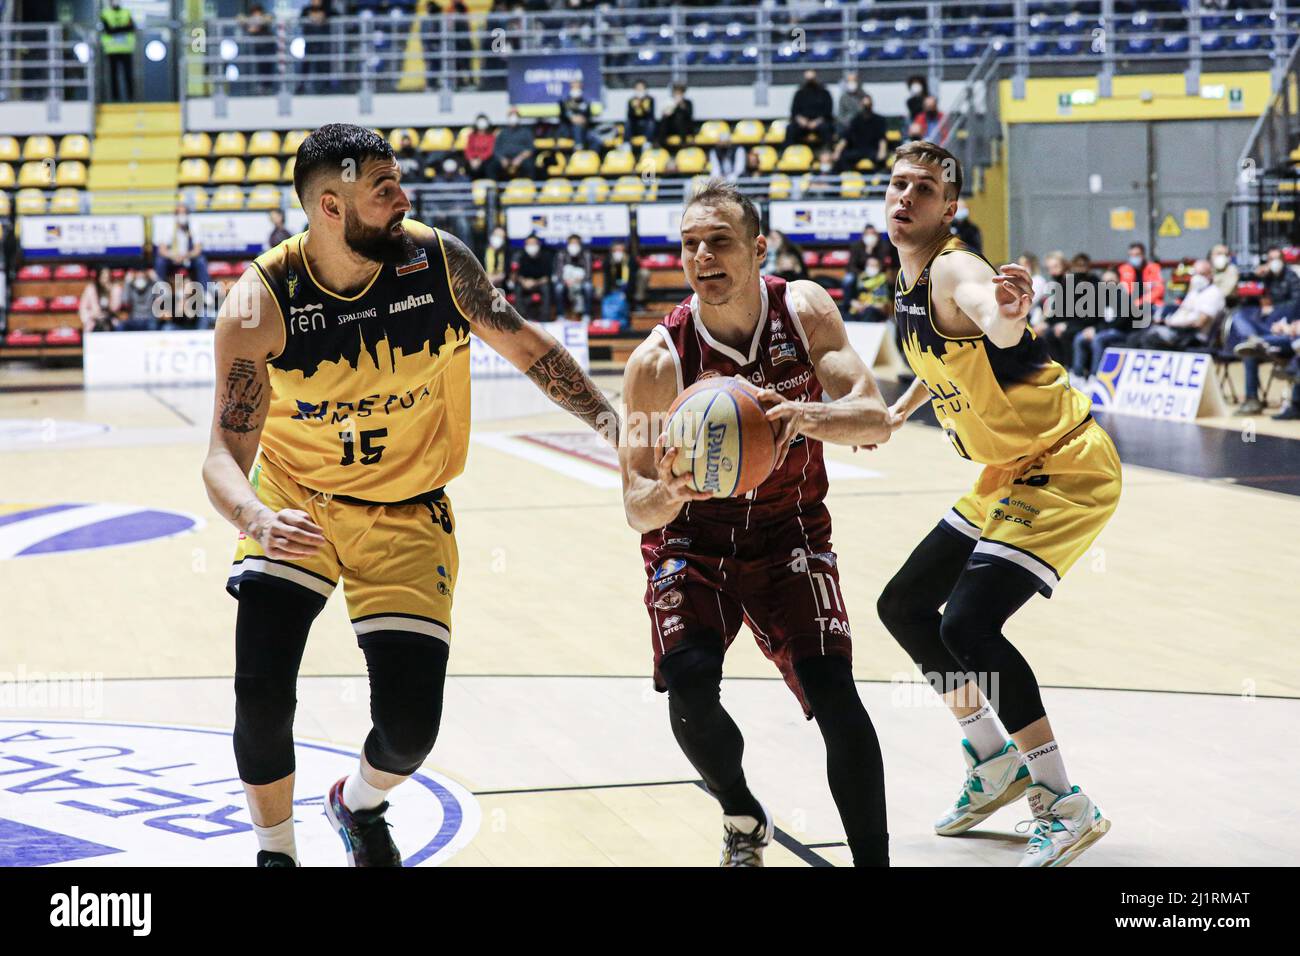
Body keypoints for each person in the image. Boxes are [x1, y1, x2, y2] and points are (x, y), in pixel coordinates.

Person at [202, 123, 618, 868]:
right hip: (297, 504)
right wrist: (257, 517)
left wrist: (613, 425)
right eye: (383, 189)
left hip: (408, 510)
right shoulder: (258, 304)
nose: (403, 199)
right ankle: (275, 853)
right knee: (261, 693)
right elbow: (222, 458)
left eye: (398, 184)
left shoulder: (439, 262)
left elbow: (530, 350)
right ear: (331, 207)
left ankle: (356, 803)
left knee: (408, 730)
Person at [618, 178, 896, 867]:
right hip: (692, 537)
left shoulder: (802, 311)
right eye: (690, 245)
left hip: (792, 528)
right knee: (689, 690)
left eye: (719, 242)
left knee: (836, 696)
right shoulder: (659, 361)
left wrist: (808, 415)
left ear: (759, 248)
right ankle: (741, 813)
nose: (703, 257)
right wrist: (672, 491)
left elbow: (877, 419)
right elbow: (635, 503)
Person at [876, 141, 1120, 867]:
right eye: (897, 184)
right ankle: (993, 759)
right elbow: (947, 359)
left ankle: (1061, 800)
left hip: (1063, 463)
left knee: (970, 625)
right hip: (1004, 471)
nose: (905, 196)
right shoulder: (909, 276)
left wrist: (1008, 313)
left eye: (923, 188)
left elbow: (993, 320)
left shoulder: (955, 266)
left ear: (948, 207)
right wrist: (898, 410)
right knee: (904, 607)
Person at [1129, 258, 1224, 351]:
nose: (1197, 277)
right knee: (1134, 337)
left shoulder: (1213, 293)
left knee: (1148, 339)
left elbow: (1199, 322)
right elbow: (1182, 310)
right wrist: (1165, 321)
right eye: (1195, 273)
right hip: (1177, 330)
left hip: (1192, 336)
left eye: (1201, 274)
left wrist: (1172, 323)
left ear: (1210, 274)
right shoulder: (1195, 292)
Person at [155, 204, 211, 321]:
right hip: (173, 259)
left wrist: (186, 255)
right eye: (179, 213)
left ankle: (205, 291)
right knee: (160, 261)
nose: (182, 216)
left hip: (188, 258)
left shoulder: (194, 226)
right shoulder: (169, 227)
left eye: (184, 213)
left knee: (201, 261)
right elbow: (162, 249)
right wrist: (173, 255)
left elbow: (197, 249)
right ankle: (162, 289)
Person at [835, 93, 889, 173]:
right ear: (860, 105)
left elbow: (882, 138)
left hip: (873, 150)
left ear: (871, 105)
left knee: (882, 161)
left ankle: (879, 182)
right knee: (842, 159)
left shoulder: (879, 120)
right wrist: (837, 151)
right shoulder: (855, 120)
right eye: (864, 105)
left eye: (868, 105)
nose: (866, 107)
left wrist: (882, 151)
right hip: (858, 150)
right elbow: (846, 138)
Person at [843, 224, 896, 300]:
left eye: (872, 234)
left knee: (889, 279)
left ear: (876, 235)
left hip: (878, 273)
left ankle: (885, 305)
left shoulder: (883, 246)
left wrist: (872, 251)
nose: (870, 236)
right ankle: (848, 304)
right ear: (863, 236)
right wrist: (868, 252)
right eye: (868, 234)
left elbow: (883, 264)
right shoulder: (856, 246)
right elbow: (851, 265)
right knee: (848, 279)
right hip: (859, 273)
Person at [785, 69, 835, 147]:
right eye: (808, 79)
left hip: (819, 123)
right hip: (803, 123)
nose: (810, 81)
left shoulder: (824, 93)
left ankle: (827, 153)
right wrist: (800, 119)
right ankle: (788, 153)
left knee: (827, 128)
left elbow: (828, 111)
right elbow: (794, 111)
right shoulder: (799, 93)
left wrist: (816, 122)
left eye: (811, 79)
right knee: (790, 129)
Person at [552, 233, 594, 321]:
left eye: (576, 243)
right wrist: (565, 281)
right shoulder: (562, 254)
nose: (574, 245)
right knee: (558, 288)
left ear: (580, 244)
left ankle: (587, 315)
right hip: (566, 281)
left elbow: (588, 273)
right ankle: (560, 315)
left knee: (588, 287)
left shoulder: (586, 254)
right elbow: (559, 272)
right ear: (568, 244)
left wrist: (579, 280)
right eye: (572, 243)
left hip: (581, 281)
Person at [100, 0, 136, 103]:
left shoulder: (126, 12)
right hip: (112, 50)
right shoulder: (105, 13)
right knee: (113, 75)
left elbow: (131, 27)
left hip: (126, 49)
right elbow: (108, 30)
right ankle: (115, 98)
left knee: (128, 74)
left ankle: (131, 97)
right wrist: (123, 28)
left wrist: (115, 29)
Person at [514, 232, 553, 322]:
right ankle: (521, 319)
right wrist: (523, 281)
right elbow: (516, 275)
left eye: (533, 244)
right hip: (525, 283)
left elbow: (547, 278)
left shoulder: (546, 256)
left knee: (546, 288)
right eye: (529, 244)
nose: (531, 246)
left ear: (538, 244)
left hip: (539, 283)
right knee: (518, 287)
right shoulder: (520, 256)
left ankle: (545, 318)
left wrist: (535, 283)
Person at [1117, 241, 1164, 313]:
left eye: (1137, 255)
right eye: (1131, 255)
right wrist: (1133, 303)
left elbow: (1159, 290)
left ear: (1143, 255)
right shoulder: (1123, 269)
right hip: (1130, 304)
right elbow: (1125, 290)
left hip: (1150, 303)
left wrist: (1141, 302)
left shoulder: (1154, 268)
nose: (1134, 257)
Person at [845, 256, 892, 322]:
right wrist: (855, 304)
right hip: (859, 309)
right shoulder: (860, 278)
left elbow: (883, 305)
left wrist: (867, 306)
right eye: (869, 265)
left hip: (875, 310)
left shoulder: (882, 280)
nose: (871, 267)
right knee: (845, 315)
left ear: (879, 267)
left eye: (873, 265)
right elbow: (852, 298)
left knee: (869, 312)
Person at [494, 108, 535, 181]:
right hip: (505, 158)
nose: (513, 118)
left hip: (521, 159)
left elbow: (530, 149)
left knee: (529, 165)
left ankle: (529, 186)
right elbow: (496, 149)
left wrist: (520, 158)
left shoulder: (526, 132)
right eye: (511, 116)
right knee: (492, 166)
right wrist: (502, 159)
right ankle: (494, 188)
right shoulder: (502, 132)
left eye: (515, 116)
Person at [79, 267, 121, 333]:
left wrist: (109, 292)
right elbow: (83, 309)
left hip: (110, 321)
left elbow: (115, 308)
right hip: (93, 321)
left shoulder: (115, 288)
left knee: (118, 327)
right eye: (103, 277)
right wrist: (93, 314)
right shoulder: (91, 289)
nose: (105, 280)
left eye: (107, 278)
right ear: (99, 277)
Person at [558, 80, 595, 151]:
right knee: (577, 127)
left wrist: (583, 120)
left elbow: (588, 116)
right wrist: (572, 118)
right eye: (574, 83)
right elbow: (562, 116)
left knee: (595, 140)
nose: (576, 85)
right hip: (568, 130)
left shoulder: (586, 101)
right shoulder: (563, 101)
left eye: (578, 83)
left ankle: (591, 159)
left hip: (583, 129)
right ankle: (578, 149)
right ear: (571, 85)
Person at [658, 83, 694, 147]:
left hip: (684, 128)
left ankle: (683, 142)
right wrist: (673, 106)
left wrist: (681, 106)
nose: (677, 95)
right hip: (672, 127)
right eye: (676, 93)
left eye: (679, 93)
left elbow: (689, 115)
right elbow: (666, 114)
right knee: (664, 120)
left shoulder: (688, 102)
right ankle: (661, 142)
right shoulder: (670, 102)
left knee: (679, 118)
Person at [463, 114, 498, 180]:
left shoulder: (491, 136)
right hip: (473, 160)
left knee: (491, 166)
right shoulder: (472, 136)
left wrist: (480, 159)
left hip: (486, 160)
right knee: (467, 167)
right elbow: (468, 149)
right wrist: (471, 159)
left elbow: (490, 151)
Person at [626, 79, 657, 148]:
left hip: (646, 122)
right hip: (635, 123)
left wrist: (642, 105)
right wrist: (634, 108)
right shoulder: (631, 100)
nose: (639, 90)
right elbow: (629, 116)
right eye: (637, 88)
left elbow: (651, 115)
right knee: (628, 122)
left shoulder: (650, 99)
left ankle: (648, 143)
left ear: (645, 89)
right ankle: (626, 144)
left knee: (651, 123)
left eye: (641, 88)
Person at [835, 72, 862, 136]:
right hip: (846, 124)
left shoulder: (863, 96)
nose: (851, 83)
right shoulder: (843, 97)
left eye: (853, 81)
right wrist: (847, 123)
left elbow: (864, 113)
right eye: (849, 81)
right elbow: (840, 115)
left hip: (860, 123)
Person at [484, 225, 509, 290]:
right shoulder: (482, 251)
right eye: (496, 235)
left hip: (501, 285)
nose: (498, 238)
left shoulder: (507, 253)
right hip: (483, 283)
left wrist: (498, 277)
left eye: (501, 237)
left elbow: (507, 272)